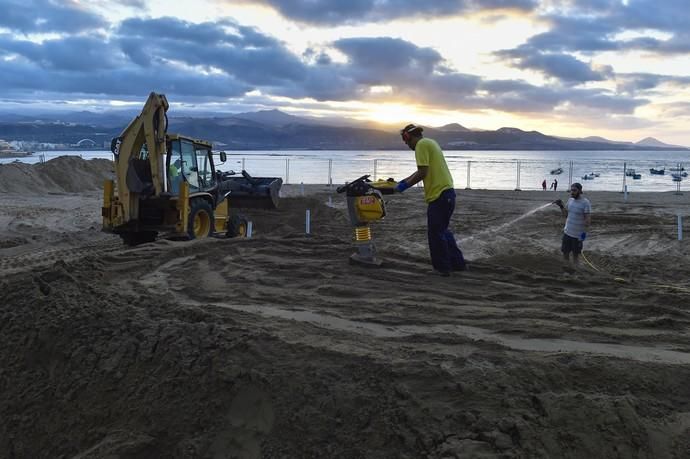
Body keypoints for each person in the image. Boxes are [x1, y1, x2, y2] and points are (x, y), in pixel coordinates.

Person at [394, 124, 466, 277]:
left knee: (435, 233)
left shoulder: (420, 145)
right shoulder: (430, 142)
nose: (407, 146)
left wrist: (404, 186)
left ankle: (442, 269)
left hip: (438, 195)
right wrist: (402, 181)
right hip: (448, 193)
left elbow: (422, 172)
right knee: (443, 231)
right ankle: (457, 264)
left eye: (406, 142)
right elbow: (421, 170)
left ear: (408, 137)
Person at [553, 182, 591, 265]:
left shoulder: (585, 203)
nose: (572, 192)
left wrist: (583, 236)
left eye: (574, 190)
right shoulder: (570, 200)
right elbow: (565, 215)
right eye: (571, 190)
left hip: (577, 236)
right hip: (567, 233)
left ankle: (576, 274)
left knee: (575, 256)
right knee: (565, 254)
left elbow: (587, 221)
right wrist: (561, 206)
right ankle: (567, 271)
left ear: (580, 191)